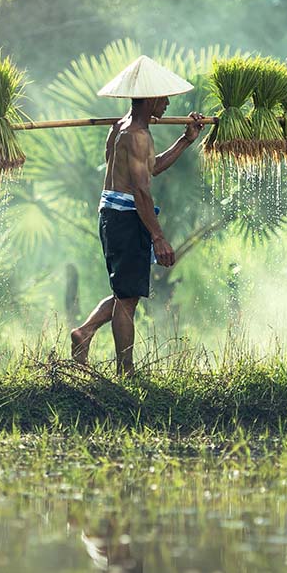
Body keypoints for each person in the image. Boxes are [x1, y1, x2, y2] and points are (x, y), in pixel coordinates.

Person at [69, 55, 205, 374]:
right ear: (150, 99)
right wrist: (158, 237)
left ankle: (84, 332)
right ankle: (126, 371)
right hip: (126, 217)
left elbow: (151, 168)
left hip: (112, 213)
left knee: (124, 292)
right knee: (128, 300)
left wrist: (186, 140)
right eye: (164, 97)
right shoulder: (138, 136)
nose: (169, 103)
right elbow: (142, 191)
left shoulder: (121, 128)